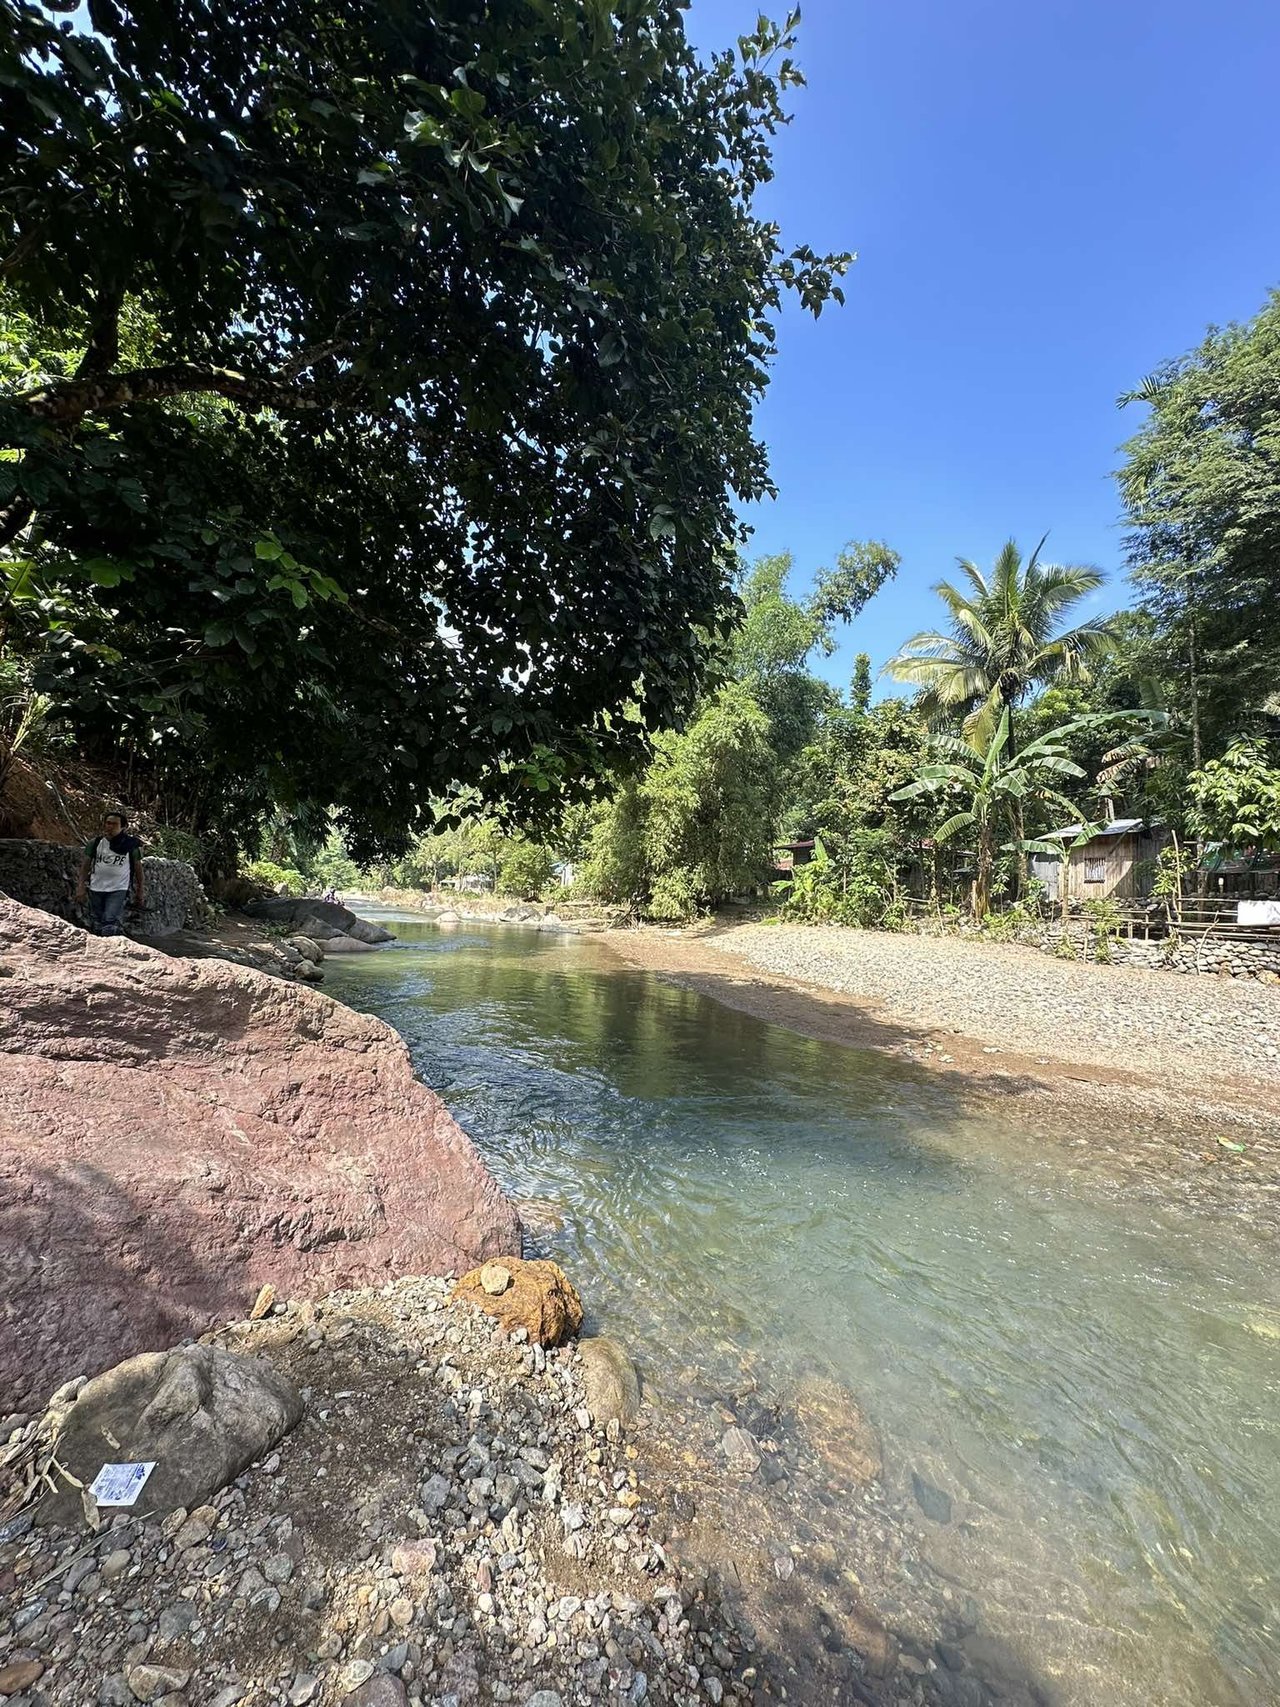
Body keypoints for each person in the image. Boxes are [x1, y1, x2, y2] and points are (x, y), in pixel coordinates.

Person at [76, 810, 145, 936]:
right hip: (96, 887)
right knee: (96, 921)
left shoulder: (130, 846)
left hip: (118, 888)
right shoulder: (95, 843)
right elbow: (85, 866)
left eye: (114, 824)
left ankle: (109, 948)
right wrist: (81, 885)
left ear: (123, 827)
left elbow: (138, 869)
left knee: (109, 920)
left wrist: (140, 890)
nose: (110, 827)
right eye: (108, 823)